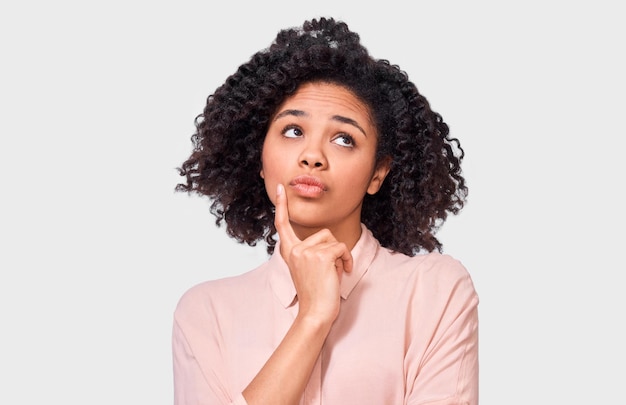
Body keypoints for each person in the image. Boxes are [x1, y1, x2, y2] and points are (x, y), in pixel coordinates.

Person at [172, 16, 478, 405]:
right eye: (293, 131)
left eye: (344, 139)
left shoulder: (433, 290)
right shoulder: (206, 311)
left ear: (377, 174)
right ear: (260, 157)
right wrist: (313, 317)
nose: (312, 156)